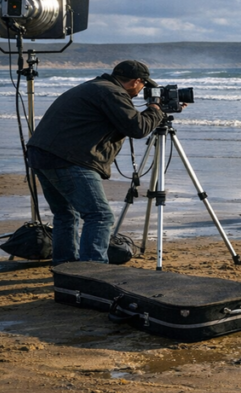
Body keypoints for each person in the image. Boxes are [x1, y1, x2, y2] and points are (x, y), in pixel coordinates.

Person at [27, 60, 166, 265]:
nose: (142, 90)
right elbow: (138, 128)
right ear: (136, 81)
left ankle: (66, 266)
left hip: (43, 154)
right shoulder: (112, 93)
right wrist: (156, 108)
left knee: (66, 214)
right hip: (68, 158)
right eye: (144, 85)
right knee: (99, 215)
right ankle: (93, 269)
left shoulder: (96, 86)